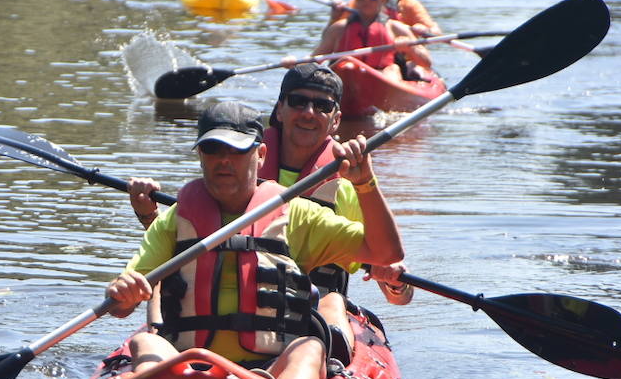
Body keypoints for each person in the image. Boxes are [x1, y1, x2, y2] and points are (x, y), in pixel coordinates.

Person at [107, 101, 405, 379]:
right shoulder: (173, 220)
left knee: (310, 349)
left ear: (260, 154)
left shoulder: (296, 215)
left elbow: (385, 252)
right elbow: (120, 307)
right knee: (144, 340)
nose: (223, 160)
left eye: (236, 150)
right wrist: (123, 292)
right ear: (200, 155)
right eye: (212, 149)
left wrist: (364, 183)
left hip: (271, 369)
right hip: (187, 366)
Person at [128, 65, 414, 310]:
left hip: (309, 312)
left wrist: (395, 284)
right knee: (159, 298)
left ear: (336, 120)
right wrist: (149, 217)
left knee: (334, 305)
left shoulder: (347, 186)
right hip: (232, 298)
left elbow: (388, 264)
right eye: (298, 102)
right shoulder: (235, 164)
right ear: (280, 109)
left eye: (322, 106)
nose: (309, 113)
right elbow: (192, 243)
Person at [306, 0, 433, 83]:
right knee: (347, 67)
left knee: (393, 71)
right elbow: (314, 59)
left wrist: (411, 49)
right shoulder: (339, 28)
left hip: (381, 76)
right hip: (347, 76)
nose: (366, 0)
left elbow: (426, 63)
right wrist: (296, 63)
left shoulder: (396, 28)